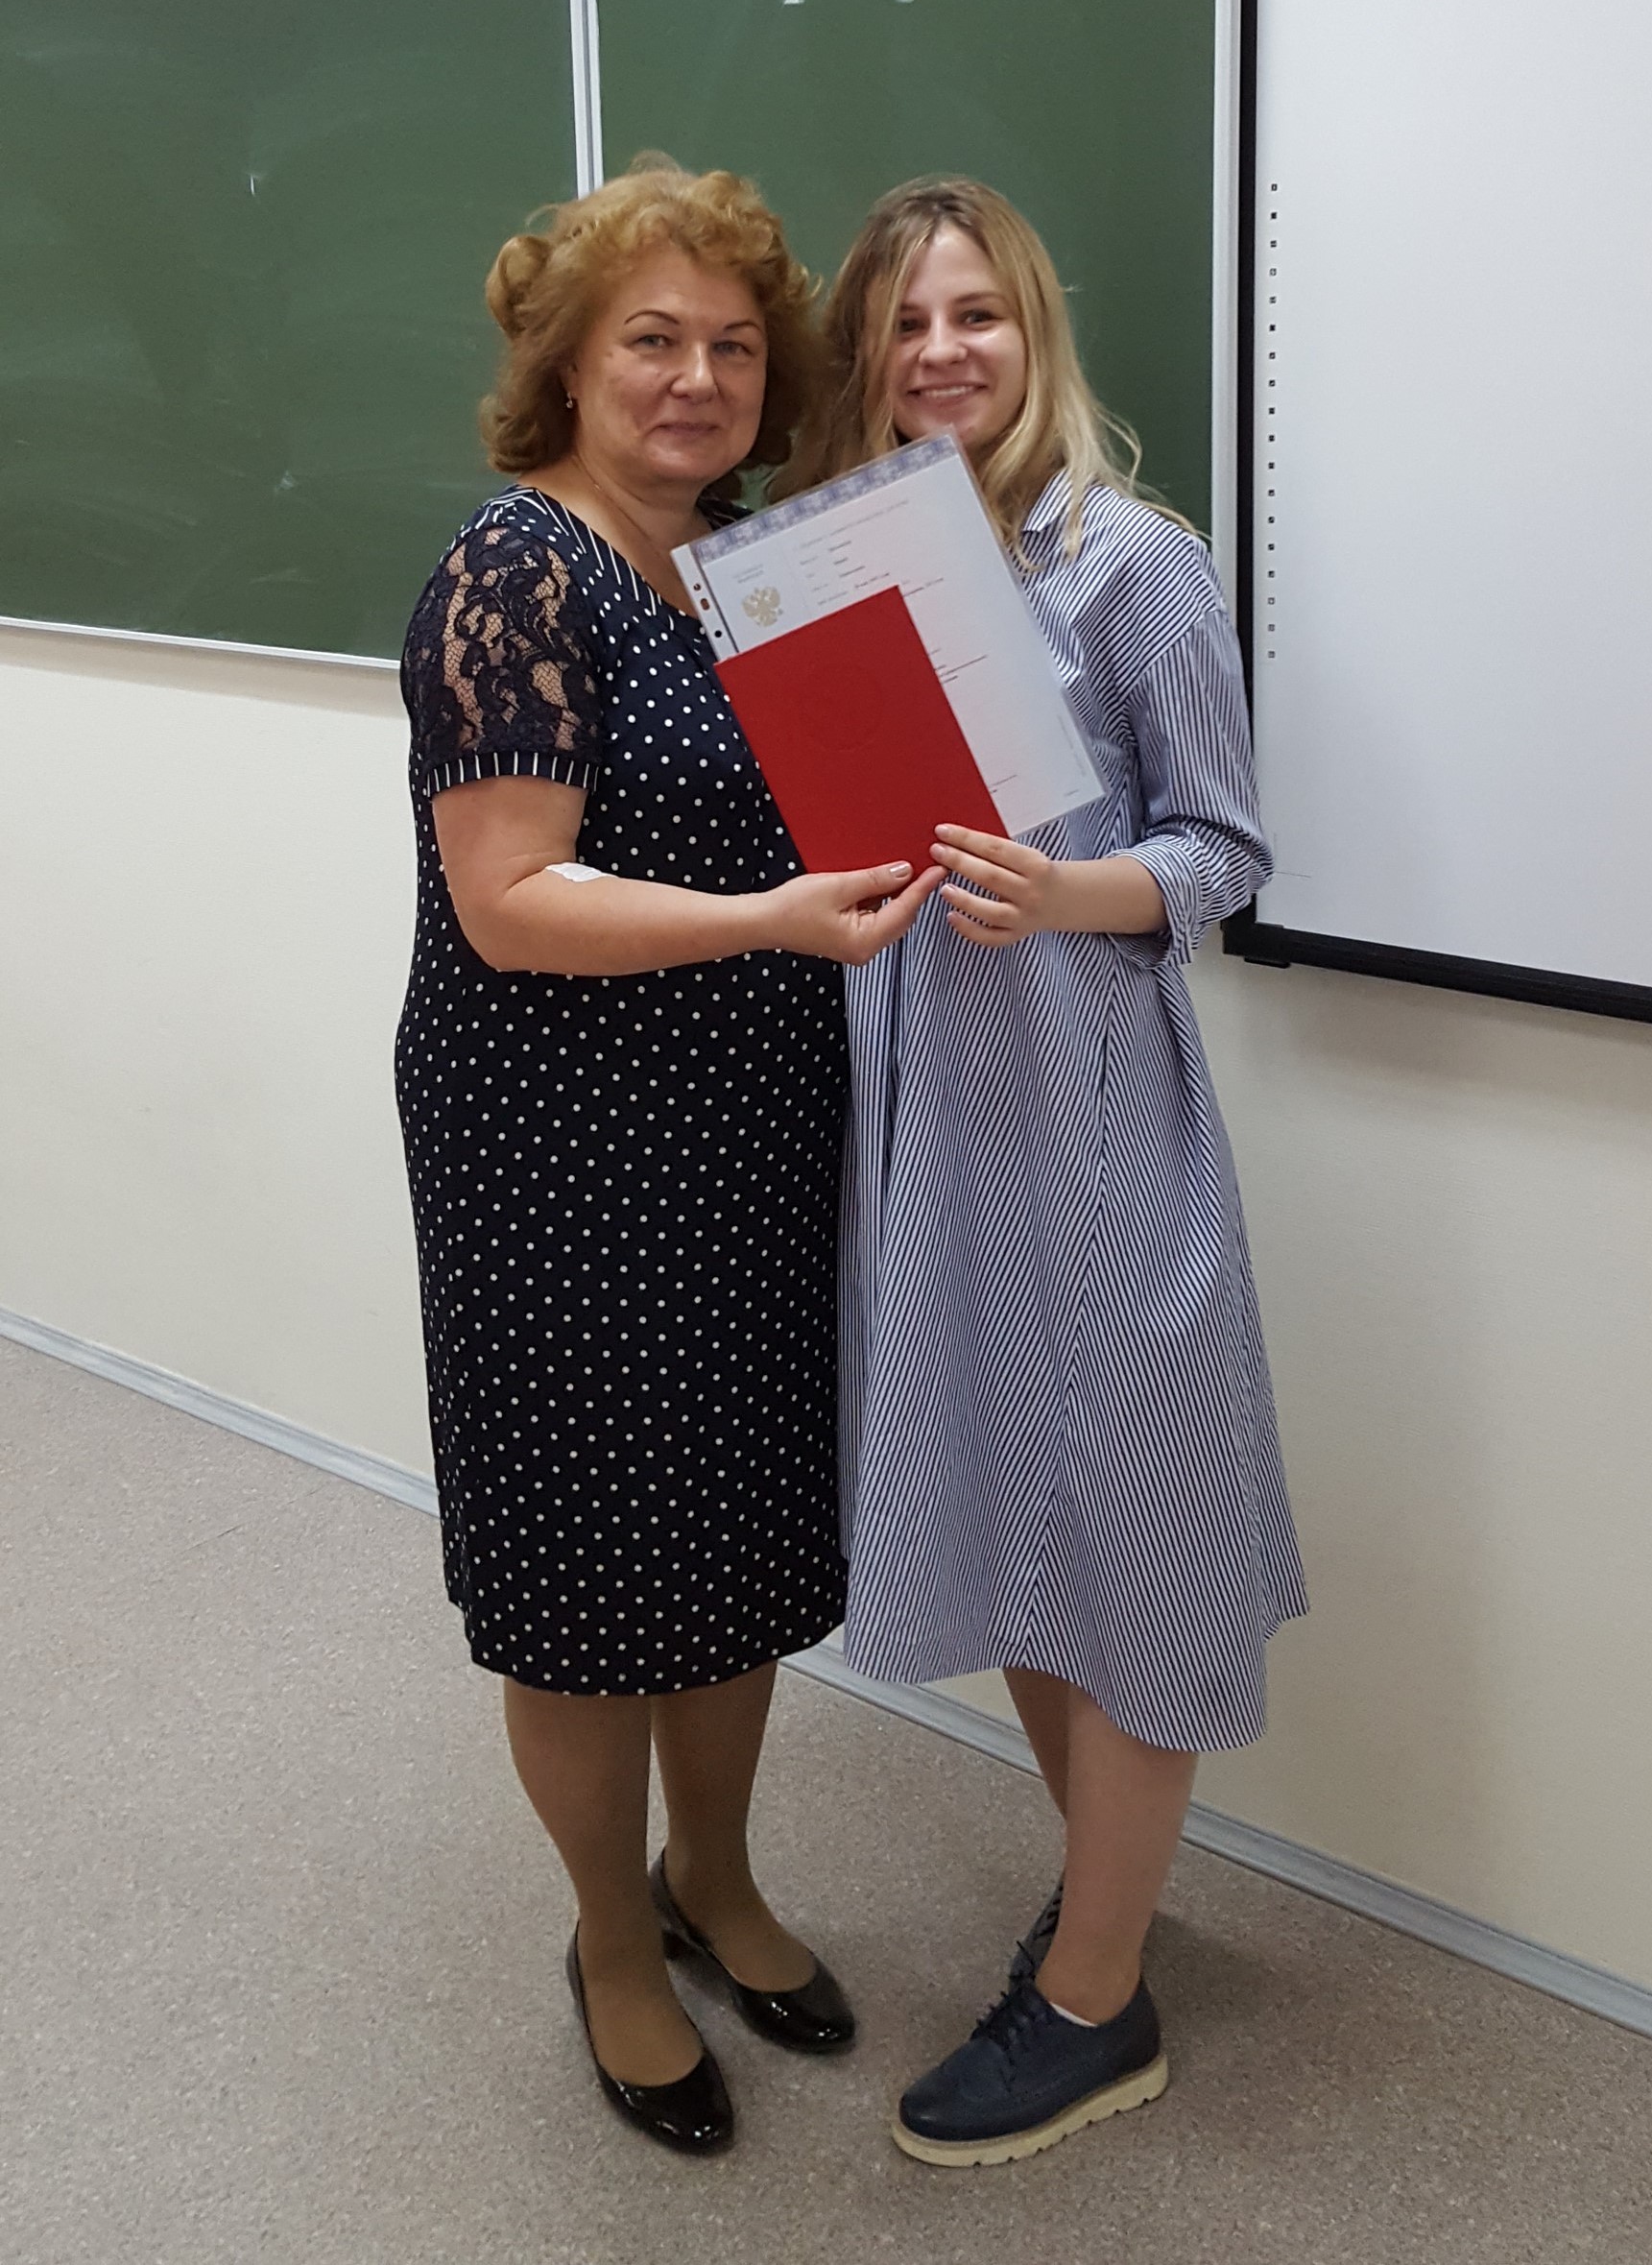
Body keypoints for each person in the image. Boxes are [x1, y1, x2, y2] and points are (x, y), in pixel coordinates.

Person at [394, 158, 938, 2156]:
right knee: (584, 1566)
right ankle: (613, 1937)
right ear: (567, 362)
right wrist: (775, 917)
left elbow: (875, 804)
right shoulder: (515, 571)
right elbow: (511, 900)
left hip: (753, 1125)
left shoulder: (760, 567)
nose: (700, 379)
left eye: (733, 346)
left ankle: (716, 1873)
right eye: (652, 340)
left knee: (734, 1532)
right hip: (556, 1146)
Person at [783, 179, 1307, 2167]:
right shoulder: (836, 565)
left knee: (1136, 1552)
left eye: (977, 315)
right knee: (1014, 1517)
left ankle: (1095, 2002)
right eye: (904, 323)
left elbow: (1226, 849)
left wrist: (1070, 887)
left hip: (1090, 1134)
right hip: (922, 1133)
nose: (942, 354)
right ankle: (1106, 1907)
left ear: (1035, 331)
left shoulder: (1132, 564)